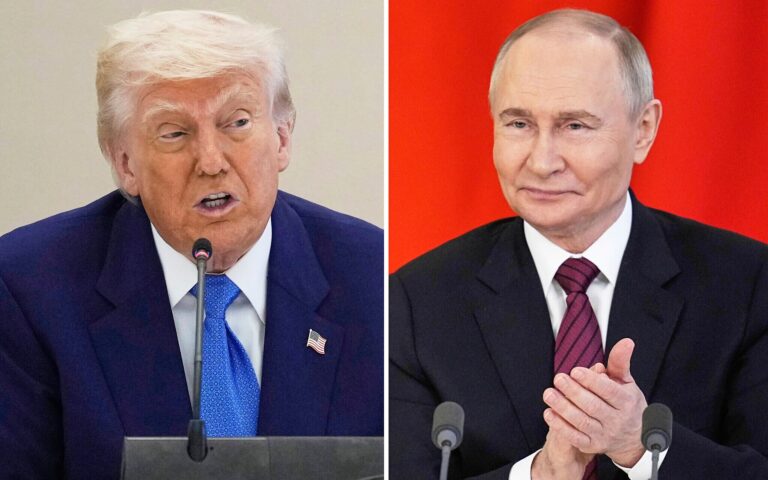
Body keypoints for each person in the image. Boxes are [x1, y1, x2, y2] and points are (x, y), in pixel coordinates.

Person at [0, 10, 382, 479]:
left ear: (282, 138)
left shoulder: (374, 276)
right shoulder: (29, 289)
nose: (210, 161)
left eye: (236, 123)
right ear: (125, 164)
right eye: (175, 133)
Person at [389, 9, 768, 480]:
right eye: (519, 124)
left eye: (575, 126)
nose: (542, 161)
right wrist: (541, 475)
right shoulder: (416, 302)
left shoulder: (747, 285)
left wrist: (640, 447)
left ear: (643, 130)